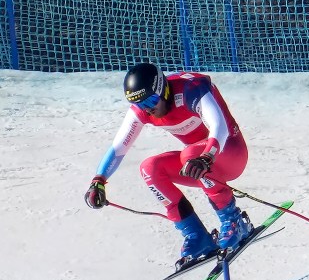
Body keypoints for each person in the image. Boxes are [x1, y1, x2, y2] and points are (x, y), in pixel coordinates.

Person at [84, 62, 254, 263]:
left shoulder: (191, 89)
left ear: (163, 90)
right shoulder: (143, 110)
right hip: (199, 165)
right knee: (150, 169)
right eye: (141, 106)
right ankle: (196, 236)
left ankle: (234, 221)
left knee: (189, 154)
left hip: (230, 154)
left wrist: (207, 156)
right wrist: (99, 180)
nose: (149, 110)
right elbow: (118, 148)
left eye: (151, 101)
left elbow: (219, 127)